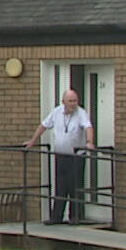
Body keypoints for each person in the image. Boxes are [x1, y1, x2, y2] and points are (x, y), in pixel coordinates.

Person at [24, 89, 94, 225]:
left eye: (75, 101)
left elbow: (88, 127)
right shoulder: (56, 112)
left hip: (76, 157)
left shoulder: (81, 113)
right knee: (60, 186)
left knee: (75, 187)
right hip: (61, 156)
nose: (73, 104)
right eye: (70, 101)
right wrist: (33, 141)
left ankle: (75, 217)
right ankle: (56, 217)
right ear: (63, 102)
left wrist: (90, 142)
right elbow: (43, 126)